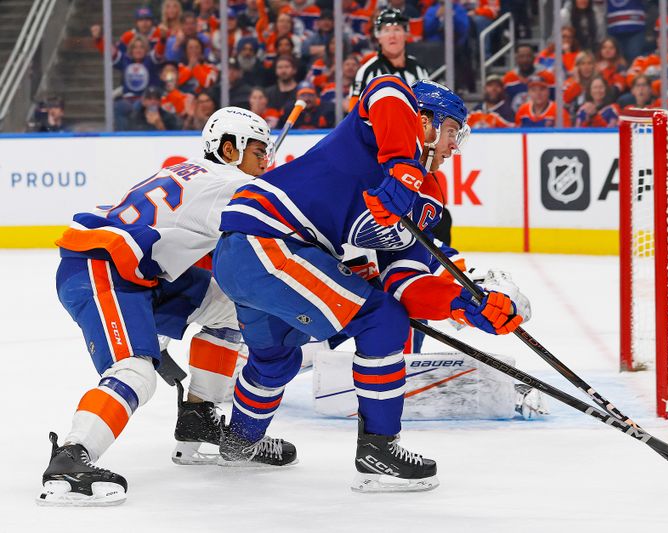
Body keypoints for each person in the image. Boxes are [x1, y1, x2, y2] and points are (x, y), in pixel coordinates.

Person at [212, 77, 521, 492]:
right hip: (266, 240)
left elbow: (405, 282)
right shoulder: (374, 131)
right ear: (424, 122)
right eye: (451, 132)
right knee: (382, 320)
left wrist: (462, 304)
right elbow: (387, 87)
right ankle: (379, 448)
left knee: (276, 358)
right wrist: (403, 166)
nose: (454, 147)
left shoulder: (427, 198)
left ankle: (239, 442)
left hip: (255, 261)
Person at [38, 107, 275, 506]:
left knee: (230, 307)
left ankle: (198, 420)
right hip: (102, 268)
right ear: (229, 149)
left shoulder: (191, 170)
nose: (264, 162)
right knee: (136, 369)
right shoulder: (230, 184)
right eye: (257, 152)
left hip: (139, 271)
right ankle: (71, 458)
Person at [349, 8, 429, 109]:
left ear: (406, 34)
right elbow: (353, 112)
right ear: (378, 37)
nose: (392, 36)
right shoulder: (366, 71)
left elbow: (428, 109)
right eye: (386, 30)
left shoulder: (419, 69)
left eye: (397, 29)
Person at [265, 55, 299, 124]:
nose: (283, 70)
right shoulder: (268, 93)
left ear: (294, 70)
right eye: (280, 67)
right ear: (276, 70)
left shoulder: (301, 92)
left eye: (287, 67)